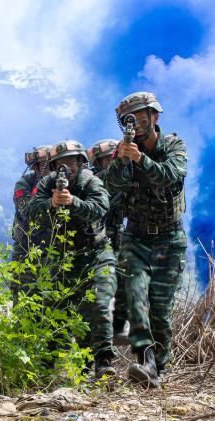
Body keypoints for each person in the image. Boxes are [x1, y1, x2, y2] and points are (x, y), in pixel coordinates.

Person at [102, 92, 188, 388]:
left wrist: (141, 160)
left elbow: (172, 177)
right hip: (136, 236)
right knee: (136, 298)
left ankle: (158, 369)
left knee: (161, 310)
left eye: (141, 119)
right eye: (130, 121)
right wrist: (123, 160)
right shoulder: (124, 151)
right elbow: (110, 187)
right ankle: (145, 360)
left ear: (154, 117)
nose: (136, 126)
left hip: (170, 238)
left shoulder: (174, 145)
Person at [25, 140, 117, 379]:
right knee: (56, 309)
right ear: (55, 166)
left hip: (96, 255)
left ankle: (104, 362)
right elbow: (30, 212)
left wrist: (73, 202)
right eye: (61, 163)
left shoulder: (91, 182)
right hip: (63, 258)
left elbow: (100, 207)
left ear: (80, 162)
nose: (67, 167)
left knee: (98, 305)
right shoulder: (47, 184)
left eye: (72, 161)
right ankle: (54, 367)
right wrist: (51, 203)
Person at [88, 139, 129, 345]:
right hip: (95, 240)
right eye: (106, 160)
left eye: (112, 158)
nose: (110, 163)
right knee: (98, 288)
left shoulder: (124, 177)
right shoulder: (93, 182)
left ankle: (118, 327)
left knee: (125, 280)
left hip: (118, 235)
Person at [11, 145, 52, 297]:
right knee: (23, 294)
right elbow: (26, 210)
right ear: (36, 166)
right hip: (26, 248)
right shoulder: (24, 183)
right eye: (45, 164)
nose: (50, 168)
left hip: (54, 247)